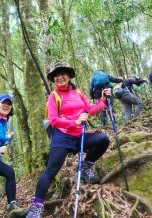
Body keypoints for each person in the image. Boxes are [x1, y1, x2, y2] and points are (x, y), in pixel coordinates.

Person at [26, 63, 111, 218]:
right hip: (62, 138)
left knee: (103, 139)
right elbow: (53, 120)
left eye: (62, 74)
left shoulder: (78, 92)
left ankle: (86, 166)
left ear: (69, 76)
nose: (59, 77)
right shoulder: (54, 96)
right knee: (51, 170)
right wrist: (75, 122)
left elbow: (90, 110)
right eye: (56, 75)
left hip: (80, 136)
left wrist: (103, 100)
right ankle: (36, 206)